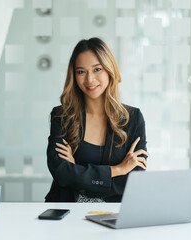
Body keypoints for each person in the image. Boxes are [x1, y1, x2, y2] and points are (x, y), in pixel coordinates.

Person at [45, 37, 148, 203]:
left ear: (109, 70)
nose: (89, 79)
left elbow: (132, 181)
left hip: (114, 213)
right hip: (67, 212)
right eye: (81, 71)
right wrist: (119, 169)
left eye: (97, 69)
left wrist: (77, 172)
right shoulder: (62, 117)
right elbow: (62, 173)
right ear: (74, 76)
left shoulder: (133, 118)